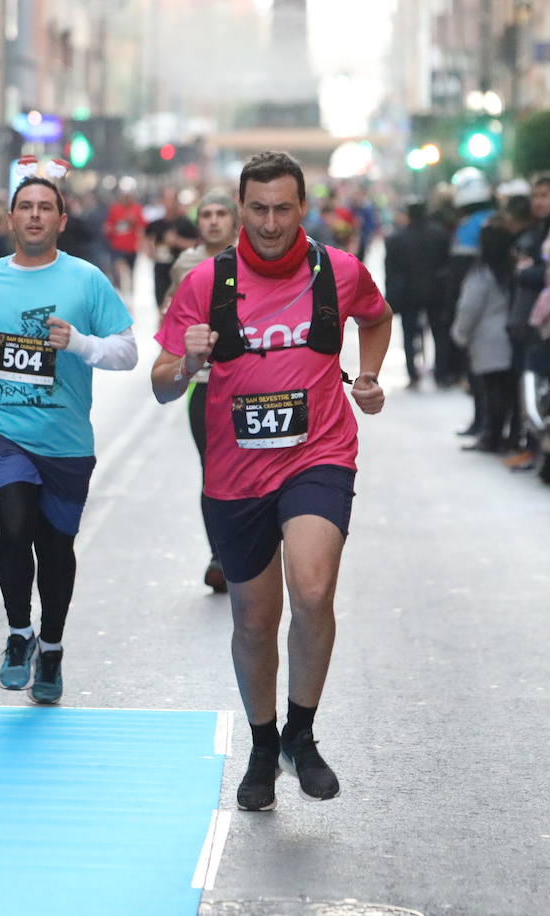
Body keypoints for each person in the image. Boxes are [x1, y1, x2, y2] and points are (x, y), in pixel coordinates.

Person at [153, 150, 392, 811]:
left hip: (318, 454)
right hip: (235, 475)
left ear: (302, 208)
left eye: (283, 208)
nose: (269, 222)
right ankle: (263, 744)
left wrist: (368, 375)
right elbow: (160, 387)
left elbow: (377, 315)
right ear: (240, 208)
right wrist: (185, 365)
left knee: (312, 590)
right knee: (256, 621)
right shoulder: (205, 283)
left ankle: (302, 733)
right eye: (257, 208)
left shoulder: (338, 272)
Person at [0, 176, 138, 703]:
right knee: (12, 524)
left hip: (66, 440)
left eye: (44, 208)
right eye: (24, 207)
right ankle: (17, 634)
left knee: (55, 551)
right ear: (10, 219)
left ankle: (50, 647)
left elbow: (127, 352)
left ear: (60, 220)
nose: (34, 215)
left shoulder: (87, 280)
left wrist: (78, 343)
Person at [157, 189, 240, 593]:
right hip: (203, 383)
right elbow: (170, 311)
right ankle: (219, 555)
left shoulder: (251, 261)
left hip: (248, 382)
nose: (212, 221)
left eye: (220, 214)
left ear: (235, 220)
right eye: (205, 214)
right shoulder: (186, 263)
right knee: (213, 471)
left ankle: (250, 547)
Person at [451, 220, 516, 453]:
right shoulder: (510, 269)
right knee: (503, 391)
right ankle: (500, 435)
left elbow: (469, 307)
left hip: (486, 339)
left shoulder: (481, 272)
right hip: (507, 336)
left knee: (489, 391)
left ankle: (490, 436)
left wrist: (459, 334)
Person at [384, 202, 449, 387]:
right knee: (439, 333)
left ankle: (412, 373)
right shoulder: (439, 234)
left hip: (408, 294)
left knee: (408, 333)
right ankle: (441, 373)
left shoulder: (397, 238)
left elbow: (392, 271)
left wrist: (392, 298)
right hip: (436, 292)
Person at [104, 189, 145, 293]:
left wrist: (134, 222)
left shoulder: (137, 209)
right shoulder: (115, 209)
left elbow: (143, 226)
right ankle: (121, 290)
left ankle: (129, 294)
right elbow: (108, 227)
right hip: (117, 247)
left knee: (130, 274)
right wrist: (110, 230)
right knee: (121, 270)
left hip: (131, 248)